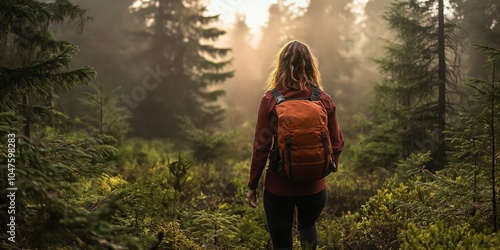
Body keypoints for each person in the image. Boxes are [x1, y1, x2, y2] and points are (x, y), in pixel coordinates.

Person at [246, 40, 344, 250]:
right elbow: (337, 142)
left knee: (282, 245)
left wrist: (253, 184)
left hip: (278, 187)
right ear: (311, 65)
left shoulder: (271, 100)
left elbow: (261, 146)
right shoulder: (322, 99)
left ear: (280, 65)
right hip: (315, 186)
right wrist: (330, 165)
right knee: (308, 226)